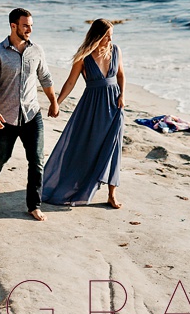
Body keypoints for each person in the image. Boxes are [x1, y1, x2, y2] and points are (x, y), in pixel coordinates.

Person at [38, 18, 126, 209]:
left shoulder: (116, 50)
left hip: (114, 105)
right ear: (97, 36)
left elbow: (120, 75)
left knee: (113, 148)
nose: (110, 40)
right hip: (91, 107)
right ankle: (70, 183)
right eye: (106, 37)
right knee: (83, 146)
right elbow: (71, 82)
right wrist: (56, 103)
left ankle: (112, 193)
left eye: (111, 36)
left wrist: (122, 96)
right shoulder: (83, 56)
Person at [0, 8, 60, 221]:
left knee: (36, 160)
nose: (30, 30)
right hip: (5, 117)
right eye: (26, 25)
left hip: (31, 114)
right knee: (0, 157)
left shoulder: (36, 51)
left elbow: (45, 77)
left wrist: (53, 101)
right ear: (13, 26)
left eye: (31, 26)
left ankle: (33, 205)